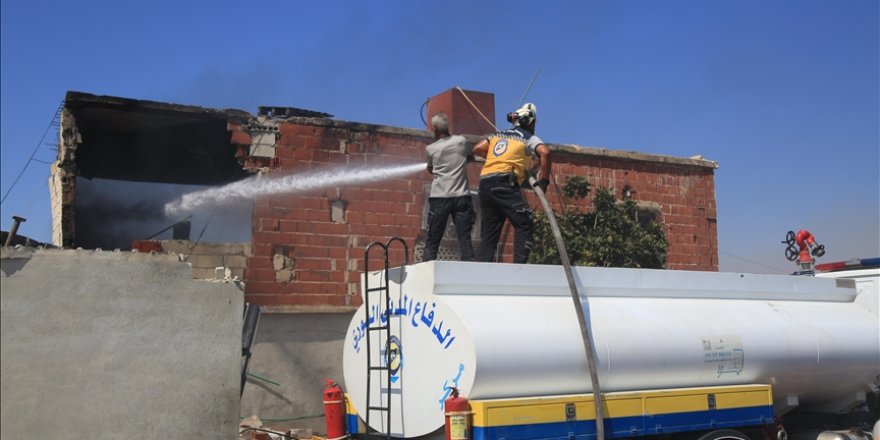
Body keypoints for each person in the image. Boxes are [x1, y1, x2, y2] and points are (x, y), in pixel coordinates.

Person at [472, 103, 551, 263]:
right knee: (524, 221)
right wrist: (544, 180)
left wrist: (497, 160)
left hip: (486, 184)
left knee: (490, 233)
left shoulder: (498, 135)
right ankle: (519, 269)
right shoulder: (529, 138)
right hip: (505, 183)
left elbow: (478, 148)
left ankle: (481, 271)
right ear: (531, 122)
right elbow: (545, 152)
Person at [421, 112, 476, 262]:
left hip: (440, 198)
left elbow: (431, 169)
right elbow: (470, 157)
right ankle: (469, 268)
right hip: (461, 196)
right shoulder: (461, 141)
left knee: (433, 237)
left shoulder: (431, 149)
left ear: (435, 128)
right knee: (464, 237)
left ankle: (428, 265)